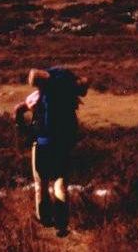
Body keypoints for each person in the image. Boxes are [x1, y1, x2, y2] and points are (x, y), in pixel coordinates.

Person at [14, 68, 89, 237]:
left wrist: (22, 126)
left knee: (41, 183)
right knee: (60, 183)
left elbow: (20, 109)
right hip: (62, 146)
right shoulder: (71, 97)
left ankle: (45, 218)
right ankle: (61, 224)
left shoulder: (40, 95)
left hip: (41, 144)